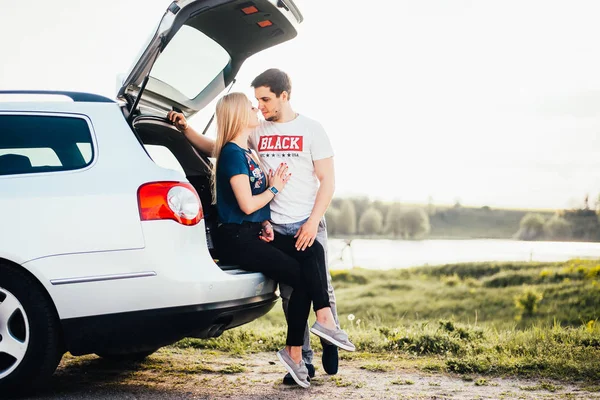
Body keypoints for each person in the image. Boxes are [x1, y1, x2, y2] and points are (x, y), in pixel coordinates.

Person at [167, 69, 341, 383]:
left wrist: (313, 222)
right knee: (292, 292)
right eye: (255, 101)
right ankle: (304, 360)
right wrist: (186, 128)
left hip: (306, 220)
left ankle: (329, 335)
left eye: (264, 99)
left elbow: (328, 181)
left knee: (319, 283)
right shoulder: (255, 132)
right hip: (270, 223)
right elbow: (219, 146)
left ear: (284, 95)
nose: (259, 106)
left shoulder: (312, 129)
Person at [205, 92, 354, 388]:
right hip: (237, 241)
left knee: (312, 248)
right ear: (236, 115)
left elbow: (251, 210)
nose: (255, 108)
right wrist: (275, 188)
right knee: (301, 279)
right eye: (250, 106)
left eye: (259, 101)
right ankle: (296, 352)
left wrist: (263, 220)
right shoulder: (233, 154)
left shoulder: (246, 151)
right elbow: (246, 204)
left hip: (254, 233)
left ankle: (324, 321)